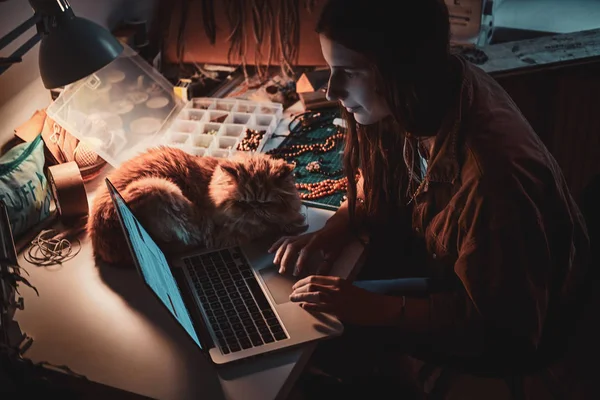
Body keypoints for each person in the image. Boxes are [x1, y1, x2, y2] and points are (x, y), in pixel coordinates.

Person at [268, 0, 592, 398]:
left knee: (328, 336)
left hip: (511, 326)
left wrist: (377, 310)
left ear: (401, 69)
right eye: (331, 69)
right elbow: (383, 180)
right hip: (459, 278)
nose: (331, 90)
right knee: (332, 307)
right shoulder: (427, 93)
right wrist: (336, 228)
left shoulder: (492, 179)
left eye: (348, 72)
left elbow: (503, 328)